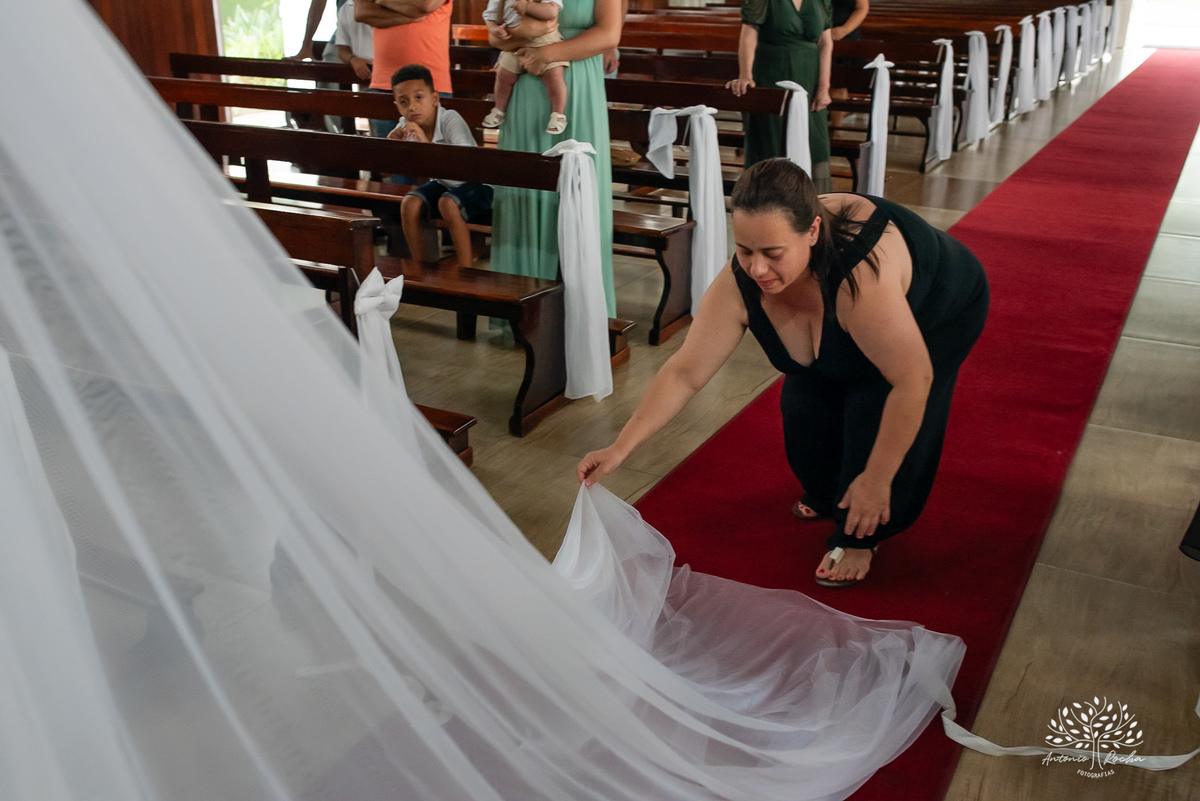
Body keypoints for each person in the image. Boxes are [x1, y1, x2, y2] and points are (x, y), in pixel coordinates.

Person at [577, 159, 989, 588]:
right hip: (846, 305)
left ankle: (862, 538)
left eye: (773, 254)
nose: (757, 269)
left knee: (873, 407)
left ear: (812, 232)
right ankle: (829, 494)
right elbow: (685, 372)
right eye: (745, 250)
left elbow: (912, 381)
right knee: (804, 409)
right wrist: (622, 447)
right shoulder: (741, 282)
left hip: (941, 306)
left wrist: (878, 478)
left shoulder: (861, 280)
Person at [484, 0, 623, 317]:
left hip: (578, 82)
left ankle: (583, 311)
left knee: (579, 191)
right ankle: (524, 308)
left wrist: (548, 52)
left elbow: (608, 34)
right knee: (526, 190)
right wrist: (520, 35)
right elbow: (494, 33)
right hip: (524, 84)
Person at [387, 65, 493, 269]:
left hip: (478, 183)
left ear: (435, 98)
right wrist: (390, 147)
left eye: (419, 98)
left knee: (448, 203)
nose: (412, 107)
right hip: (445, 183)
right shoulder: (404, 124)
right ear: (397, 106)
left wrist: (426, 144)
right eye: (404, 102)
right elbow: (387, 171)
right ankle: (422, 269)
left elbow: (465, 165)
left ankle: (465, 271)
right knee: (409, 203)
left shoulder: (450, 119)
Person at [726, 0, 834, 191]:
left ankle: (809, 203)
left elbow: (826, 43)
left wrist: (824, 87)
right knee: (770, 144)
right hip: (771, 75)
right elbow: (749, 35)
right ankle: (767, 200)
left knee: (815, 144)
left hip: (810, 82)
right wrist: (746, 75)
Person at [355, 0, 454, 138]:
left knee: (429, 149)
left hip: (429, 85)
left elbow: (425, 5)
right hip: (383, 83)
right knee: (384, 149)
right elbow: (361, 12)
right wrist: (411, 16)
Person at [482, 0, 570, 134]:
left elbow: (551, 12)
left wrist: (528, 6)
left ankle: (558, 114)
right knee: (503, 75)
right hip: (514, 45)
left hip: (545, 41)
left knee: (554, 75)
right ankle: (499, 109)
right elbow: (489, 15)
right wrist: (494, 28)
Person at [334, 0, 374, 81]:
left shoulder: (390, 5)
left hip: (390, 69)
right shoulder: (346, 8)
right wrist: (353, 59)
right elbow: (342, 51)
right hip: (364, 72)